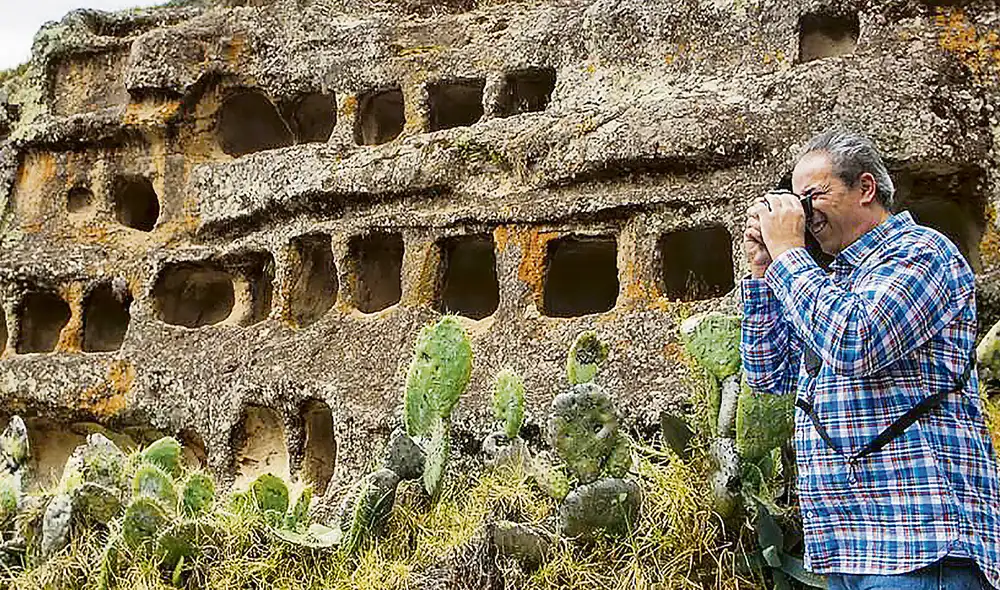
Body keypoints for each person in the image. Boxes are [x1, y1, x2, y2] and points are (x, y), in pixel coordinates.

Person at [740, 129, 1000, 590]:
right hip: (849, 547)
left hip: (920, 543)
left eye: (813, 195)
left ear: (865, 188)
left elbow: (855, 342)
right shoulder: (824, 282)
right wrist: (764, 271)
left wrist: (789, 256)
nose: (804, 212)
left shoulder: (922, 253)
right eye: (796, 200)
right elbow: (769, 375)